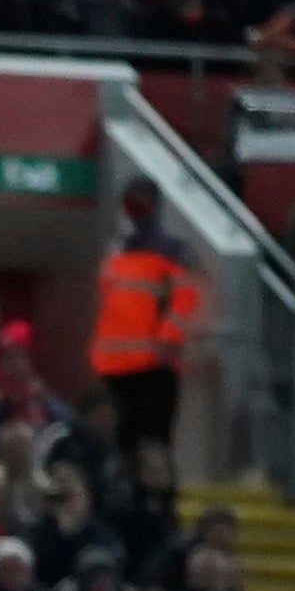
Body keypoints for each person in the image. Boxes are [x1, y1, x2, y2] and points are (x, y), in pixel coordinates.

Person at [90, 194, 203, 462]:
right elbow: (186, 297)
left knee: (126, 439)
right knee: (152, 443)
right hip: (151, 362)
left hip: (117, 363)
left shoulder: (116, 254)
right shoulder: (171, 251)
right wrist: (168, 340)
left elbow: (107, 296)